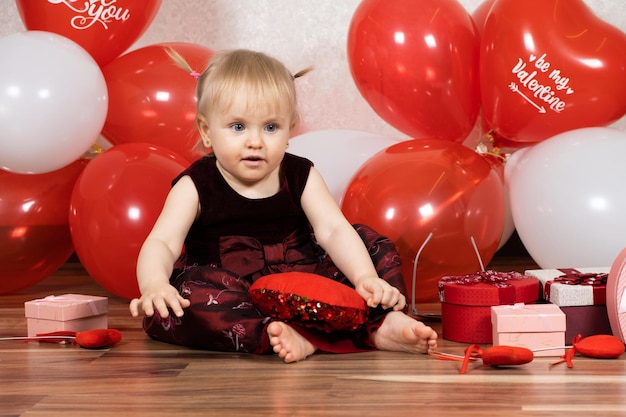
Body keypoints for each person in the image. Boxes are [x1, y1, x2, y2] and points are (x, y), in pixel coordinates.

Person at [129, 48, 438, 363]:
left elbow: (333, 230)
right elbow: (162, 242)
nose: (255, 141)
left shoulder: (300, 174)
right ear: (207, 131)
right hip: (233, 293)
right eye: (238, 127)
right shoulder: (194, 185)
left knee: (368, 242)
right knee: (185, 300)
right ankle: (280, 332)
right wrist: (153, 283)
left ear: (290, 130)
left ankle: (380, 322)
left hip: (309, 281)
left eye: (270, 127)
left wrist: (364, 279)